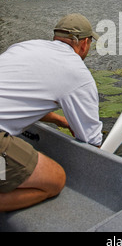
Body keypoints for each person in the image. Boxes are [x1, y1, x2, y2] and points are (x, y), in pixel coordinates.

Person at [0, 13, 103, 212]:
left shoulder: (24, 46)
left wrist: (60, 121)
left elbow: (19, 99)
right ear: (84, 43)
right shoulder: (78, 74)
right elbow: (92, 142)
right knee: (55, 179)